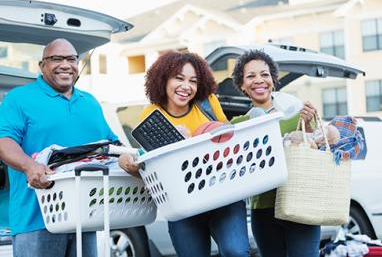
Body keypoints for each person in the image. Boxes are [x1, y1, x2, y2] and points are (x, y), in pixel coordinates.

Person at [118, 51, 250, 257]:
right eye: (178, 78)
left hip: (223, 196)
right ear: (163, 79)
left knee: (236, 252)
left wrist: (193, 143)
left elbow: (230, 146)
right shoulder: (151, 114)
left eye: (193, 81)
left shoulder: (208, 103)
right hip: (182, 204)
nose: (186, 86)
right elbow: (153, 167)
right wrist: (130, 164)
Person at [0, 38, 118, 257]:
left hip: (84, 219)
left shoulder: (89, 102)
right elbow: (4, 141)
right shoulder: (19, 98)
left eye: (71, 59)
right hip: (35, 220)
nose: (66, 64)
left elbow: (113, 145)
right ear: (42, 65)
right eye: (57, 59)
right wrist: (29, 166)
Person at [231, 49, 320, 257]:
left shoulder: (297, 112)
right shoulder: (238, 125)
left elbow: (315, 152)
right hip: (264, 209)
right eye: (250, 76)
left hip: (301, 204)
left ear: (273, 80)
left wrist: (307, 126)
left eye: (264, 74)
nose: (258, 80)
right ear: (242, 85)